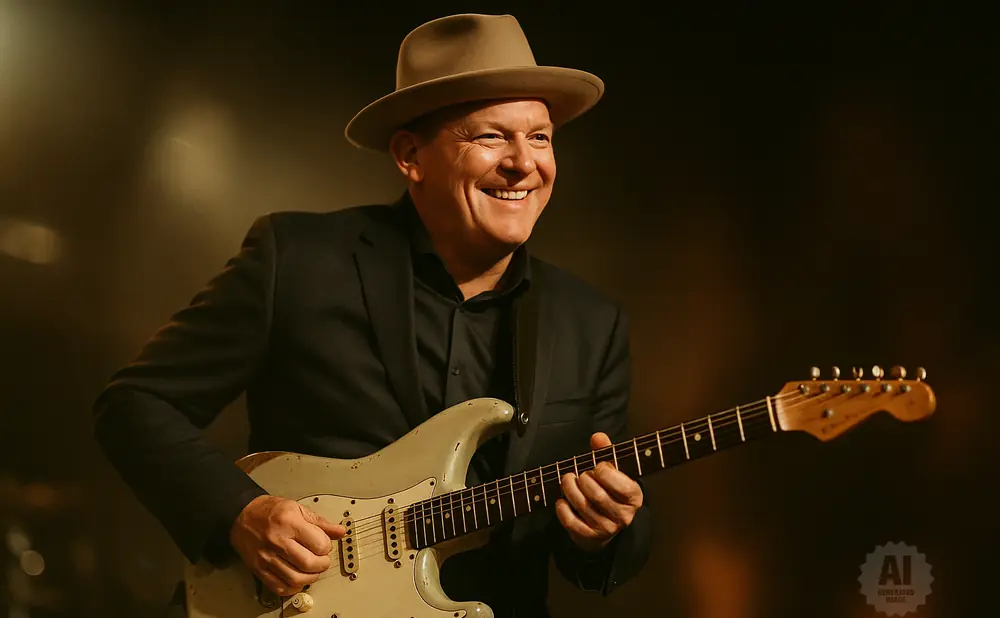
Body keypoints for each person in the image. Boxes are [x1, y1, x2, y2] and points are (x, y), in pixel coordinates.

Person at [93, 13, 652, 617]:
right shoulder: (299, 261)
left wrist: (606, 528)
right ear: (411, 154)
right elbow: (134, 405)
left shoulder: (592, 324)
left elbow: (592, 551)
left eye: (540, 137)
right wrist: (240, 513)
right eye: (490, 137)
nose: (524, 163)